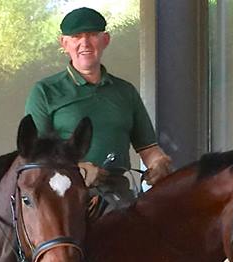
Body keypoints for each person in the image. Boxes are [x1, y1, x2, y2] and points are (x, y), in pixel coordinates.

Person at [25, 7, 173, 211]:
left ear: (105, 40)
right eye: (76, 36)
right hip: (65, 199)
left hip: (118, 195)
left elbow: (148, 148)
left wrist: (159, 163)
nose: (84, 43)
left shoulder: (125, 91)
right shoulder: (45, 91)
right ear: (64, 43)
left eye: (92, 35)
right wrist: (77, 170)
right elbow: (36, 155)